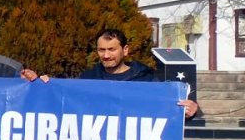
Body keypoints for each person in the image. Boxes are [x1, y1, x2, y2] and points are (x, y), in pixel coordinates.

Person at [64, 29, 200, 119]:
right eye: (101, 50)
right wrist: (46, 85)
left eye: (111, 49)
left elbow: (167, 109)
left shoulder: (146, 80)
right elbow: (65, 103)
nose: (106, 55)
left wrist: (189, 112)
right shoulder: (87, 79)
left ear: (125, 50)